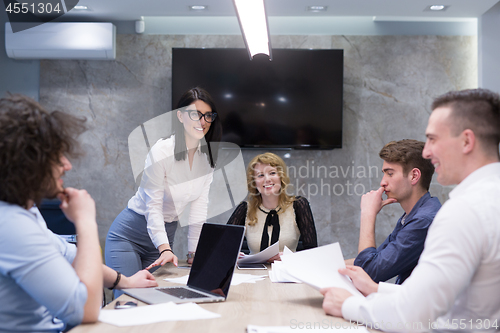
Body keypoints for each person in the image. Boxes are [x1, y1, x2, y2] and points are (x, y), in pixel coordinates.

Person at [322, 88, 500, 331]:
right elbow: (434, 295)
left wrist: (348, 305)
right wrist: (375, 289)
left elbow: (412, 315)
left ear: (467, 141)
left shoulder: (464, 211)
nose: (427, 152)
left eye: (433, 139)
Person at [0, 95, 157, 332]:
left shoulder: (24, 211)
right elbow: (86, 309)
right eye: (57, 156)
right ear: (30, 162)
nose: (67, 165)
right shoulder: (11, 225)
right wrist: (85, 222)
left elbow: (69, 254)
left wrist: (126, 281)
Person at [105, 87, 222, 295]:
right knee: (129, 299)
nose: (202, 121)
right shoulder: (162, 151)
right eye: (195, 114)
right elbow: (152, 206)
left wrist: (194, 252)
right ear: (180, 116)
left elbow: (198, 209)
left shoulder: (207, 160)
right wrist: (165, 248)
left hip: (165, 235)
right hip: (130, 234)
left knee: (154, 297)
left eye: (207, 116)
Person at [344, 140, 441, 284]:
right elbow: (376, 259)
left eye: (390, 174)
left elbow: (369, 272)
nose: (382, 182)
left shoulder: (423, 221)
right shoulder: (414, 214)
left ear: (414, 176)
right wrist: (326, 267)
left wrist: (367, 214)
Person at [227, 153, 318, 258]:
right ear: (254, 182)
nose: (267, 179)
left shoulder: (298, 205)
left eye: (272, 173)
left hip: (286, 271)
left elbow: (312, 253)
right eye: (260, 175)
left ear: (281, 176)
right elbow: (223, 246)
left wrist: (288, 257)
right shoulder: (244, 209)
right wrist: (233, 254)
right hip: (252, 273)